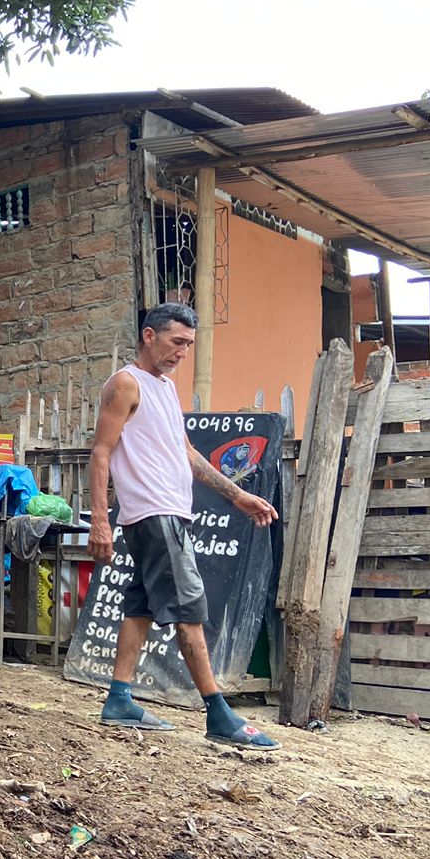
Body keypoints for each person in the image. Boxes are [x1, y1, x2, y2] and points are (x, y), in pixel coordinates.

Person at [88, 302, 280, 750]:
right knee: (190, 610)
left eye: (189, 345)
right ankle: (218, 713)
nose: (182, 353)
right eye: (177, 342)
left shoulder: (164, 387)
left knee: (140, 604)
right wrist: (100, 520)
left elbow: (188, 453)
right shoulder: (125, 383)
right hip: (153, 513)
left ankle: (119, 699)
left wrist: (237, 495)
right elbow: (100, 452)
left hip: (166, 512)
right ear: (149, 336)